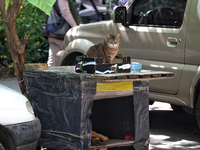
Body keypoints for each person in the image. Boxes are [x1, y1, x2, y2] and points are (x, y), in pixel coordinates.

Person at [43, 0, 79, 67]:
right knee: (71, 55)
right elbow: (65, 12)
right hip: (60, 34)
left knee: (53, 59)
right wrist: (75, 27)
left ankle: (48, 76)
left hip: (52, 33)